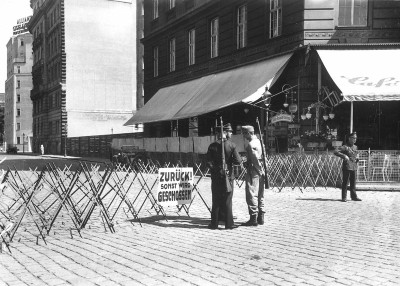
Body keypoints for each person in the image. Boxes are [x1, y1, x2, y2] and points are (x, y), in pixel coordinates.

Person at [206, 123, 242, 230]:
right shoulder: (231, 145)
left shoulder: (212, 146)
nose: (231, 133)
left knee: (216, 200)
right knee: (227, 200)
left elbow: (208, 163)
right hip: (228, 176)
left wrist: (216, 169)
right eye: (229, 132)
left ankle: (214, 224)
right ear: (225, 132)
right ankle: (229, 224)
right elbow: (238, 161)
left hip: (216, 176)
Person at [241, 125, 265, 226]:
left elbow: (255, 158)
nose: (244, 136)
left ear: (249, 133)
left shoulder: (251, 144)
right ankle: (261, 216)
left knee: (251, 193)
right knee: (260, 194)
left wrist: (258, 169)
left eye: (244, 133)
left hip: (254, 170)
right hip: (261, 169)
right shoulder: (260, 142)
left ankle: (253, 217)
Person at [334, 132, 362, 202]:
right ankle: (344, 197)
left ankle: (354, 196)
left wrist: (357, 157)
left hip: (354, 166)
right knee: (345, 182)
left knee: (353, 182)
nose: (355, 140)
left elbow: (356, 153)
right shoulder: (345, 147)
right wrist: (344, 156)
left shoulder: (355, 147)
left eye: (355, 138)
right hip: (347, 166)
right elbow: (336, 151)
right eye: (353, 138)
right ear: (349, 138)